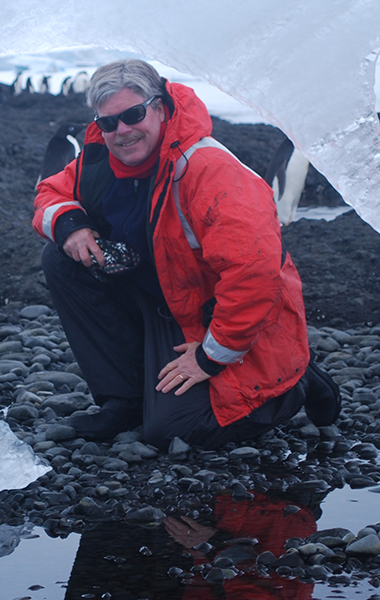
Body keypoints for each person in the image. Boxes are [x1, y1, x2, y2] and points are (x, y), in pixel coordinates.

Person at [32, 59, 339, 448]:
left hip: (225, 316)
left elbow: (255, 275)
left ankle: (294, 382)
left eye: (133, 115)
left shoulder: (209, 170)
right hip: (166, 303)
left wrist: (210, 357)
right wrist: (70, 225)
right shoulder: (99, 162)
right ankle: (125, 398)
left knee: (175, 432)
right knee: (60, 259)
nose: (122, 131)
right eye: (109, 122)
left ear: (159, 107)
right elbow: (50, 193)